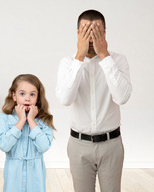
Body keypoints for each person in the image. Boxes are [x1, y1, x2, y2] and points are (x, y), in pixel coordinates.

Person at [56, 10, 132, 192]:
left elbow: (122, 97)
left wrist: (105, 56)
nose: (91, 37)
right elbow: (65, 99)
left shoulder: (118, 60)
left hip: (111, 145)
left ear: (104, 32)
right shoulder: (67, 63)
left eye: (96, 31)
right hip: (78, 145)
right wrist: (79, 57)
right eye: (85, 31)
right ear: (77, 33)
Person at [0, 74, 56, 192]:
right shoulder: (5, 118)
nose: (27, 98)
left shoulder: (44, 119)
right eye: (22, 94)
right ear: (14, 96)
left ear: (38, 98)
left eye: (32, 94)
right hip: (13, 178)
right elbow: (4, 145)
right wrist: (21, 121)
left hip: (36, 178)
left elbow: (44, 146)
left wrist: (31, 121)